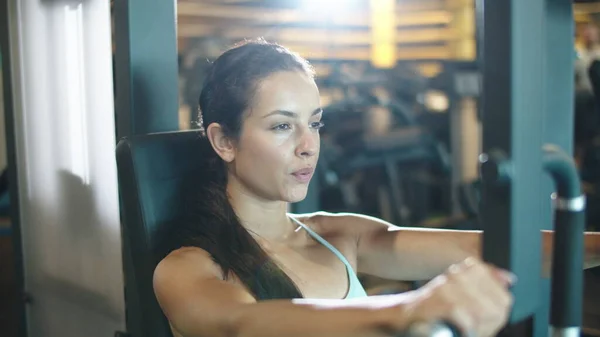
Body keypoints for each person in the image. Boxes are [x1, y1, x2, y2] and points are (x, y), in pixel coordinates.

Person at [153, 39, 600, 337]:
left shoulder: (339, 235)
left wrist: (596, 245)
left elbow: (491, 248)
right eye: (282, 126)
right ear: (223, 141)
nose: (309, 146)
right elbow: (240, 323)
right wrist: (409, 309)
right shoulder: (189, 268)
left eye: (314, 123)